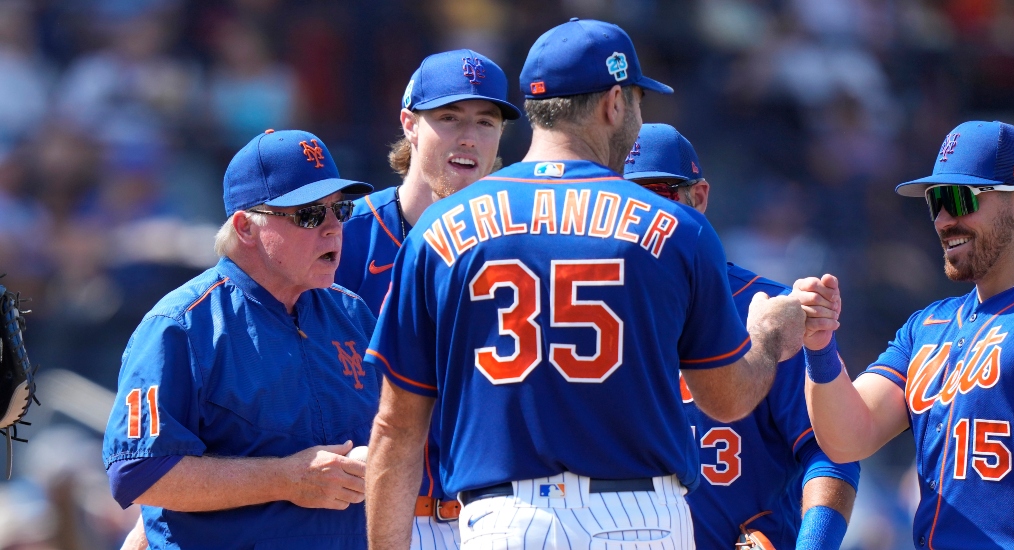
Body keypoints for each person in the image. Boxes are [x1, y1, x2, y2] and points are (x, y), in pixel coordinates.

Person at [364, 18, 808, 550]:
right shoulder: (676, 227)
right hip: (641, 515)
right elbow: (727, 399)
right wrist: (766, 336)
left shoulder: (440, 230)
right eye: (639, 102)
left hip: (504, 521)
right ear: (614, 103)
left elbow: (396, 429)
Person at [800, 121, 1014, 549]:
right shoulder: (927, 326)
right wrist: (820, 345)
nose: (942, 219)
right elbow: (848, 436)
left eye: (958, 198)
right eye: (934, 202)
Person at [102, 129, 380, 549]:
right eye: (308, 214)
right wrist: (286, 479)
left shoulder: (352, 313)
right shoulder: (179, 326)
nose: (331, 229)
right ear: (245, 227)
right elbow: (138, 471)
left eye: (339, 210)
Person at [625, 123, 859, 550]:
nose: (640, 217)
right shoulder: (586, 313)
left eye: (656, 194)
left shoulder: (773, 309)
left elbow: (832, 451)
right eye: (622, 200)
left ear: (699, 198)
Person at [335, 48, 519, 550]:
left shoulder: (522, 244)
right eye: (448, 117)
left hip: (501, 519)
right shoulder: (344, 239)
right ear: (409, 124)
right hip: (367, 517)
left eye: (486, 121)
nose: (468, 136)